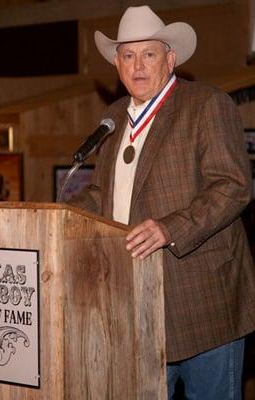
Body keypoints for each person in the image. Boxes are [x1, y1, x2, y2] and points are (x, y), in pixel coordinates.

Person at [70, 5, 255, 399]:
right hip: (134, 301)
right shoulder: (114, 116)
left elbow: (234, 186)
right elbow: (104, 192)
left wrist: (169, 227)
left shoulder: (206, 104)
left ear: (169, 59)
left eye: (149, 54)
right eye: (128, 55)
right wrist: (62, 217)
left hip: (204, 303)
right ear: (117, 64)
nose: (138, 65)